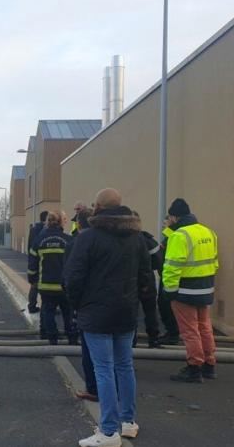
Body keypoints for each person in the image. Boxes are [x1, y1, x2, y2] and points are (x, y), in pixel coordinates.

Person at [65, 189, 155, 446]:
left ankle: (107, 432)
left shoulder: (88, 238)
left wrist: (77, 305)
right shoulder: (137, 238)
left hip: (96, 313)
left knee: (103, 369)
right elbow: (146, 277)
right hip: (126, 312)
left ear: (98, 207)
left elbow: (73, 277)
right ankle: (128, 422)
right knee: (124, 366)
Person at [162, 198, 219, 383]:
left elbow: (172, 266)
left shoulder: (180, 235)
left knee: (189, 330)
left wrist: (169, 290)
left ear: (174, 216)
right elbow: (215, 262)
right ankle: (209, 365)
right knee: (205, 327)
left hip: (185, 290)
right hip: (206, 287)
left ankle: (194, 367)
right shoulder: (208, 231)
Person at [28, 210, 77, 345]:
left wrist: (32, 280)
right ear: (61, 222)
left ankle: (50, 337)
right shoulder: (69, 240)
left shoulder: (39, 240)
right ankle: (72, 338)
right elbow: (75, 264)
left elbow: (32, 264)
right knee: (67, 312)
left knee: (47, 311)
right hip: (65, 286)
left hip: (46, 285)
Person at [64, 208, 97, 401]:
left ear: (79, 224)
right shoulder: (125, 238)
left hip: (89, 306)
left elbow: (71, 275)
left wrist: (74, 303)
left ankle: (93, 389)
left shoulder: (78, 242)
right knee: (120, 360)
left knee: (91, 353)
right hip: (122, 307)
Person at [132, 211, 162, 349]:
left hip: (130, 281)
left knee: (131, 312)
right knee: (150, 311)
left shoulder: (124, 240)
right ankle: (153, 339)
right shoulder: (147, 239)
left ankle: (131, 339)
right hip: (147, 281)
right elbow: (158, 261)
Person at [157, 215, 181, 345]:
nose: (163, 225)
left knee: (166, 305)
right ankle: (172, 332)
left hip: (170, 276)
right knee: (165, 305)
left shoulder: (175, 235)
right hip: (168, 274)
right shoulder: (170, 234)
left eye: (165, 221)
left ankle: (172, 333)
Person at [26, 211, 48, 314]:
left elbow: (29, 244)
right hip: (44, 259)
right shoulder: (46, 230)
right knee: (45, 284)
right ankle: (46, 306)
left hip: (34, 258)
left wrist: (30, 257)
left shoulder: (33, 229)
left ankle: (32, 305)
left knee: (34, 284)